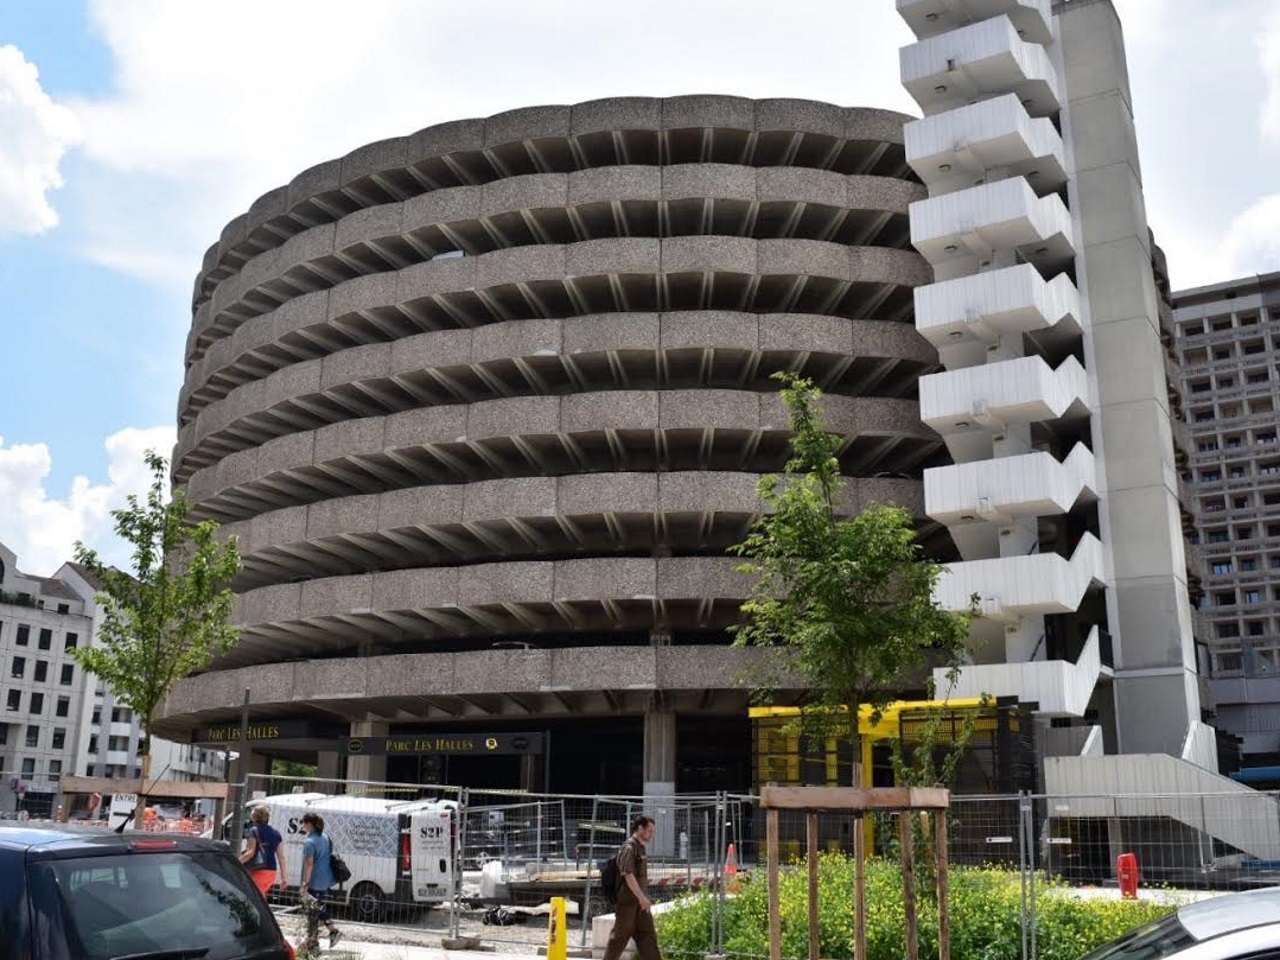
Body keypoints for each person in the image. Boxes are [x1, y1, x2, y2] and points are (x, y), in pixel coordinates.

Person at [603, 815, 662, 960]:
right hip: (628, 903)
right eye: (649, 831)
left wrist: (643, 899)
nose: (651, 834)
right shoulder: (629, 848)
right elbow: (628, 875)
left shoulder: (640, 848)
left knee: (648, 937)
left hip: (640, 904)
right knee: (619, 938)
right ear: (640, 828)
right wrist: (642, 898)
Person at [298, 812, 342, 953]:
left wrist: (306, 883)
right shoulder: (325, 837)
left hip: (314, 881)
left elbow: (309, 864)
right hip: (325, 879)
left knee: (313, 912)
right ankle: (316, 940)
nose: (303, 825)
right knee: (317, 909)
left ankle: (315, 942)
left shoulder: (310, 842)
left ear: (310, 824)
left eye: (304, 822)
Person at [239, 804, 287, 897]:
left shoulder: (254, 831)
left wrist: (237, 861)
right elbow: (281, 857)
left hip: (258, 870)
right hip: (271, 872)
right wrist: (284, 877)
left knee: (253, 898)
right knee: (260, 897)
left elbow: (250, 852)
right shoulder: (276, 833)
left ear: (254, 817)